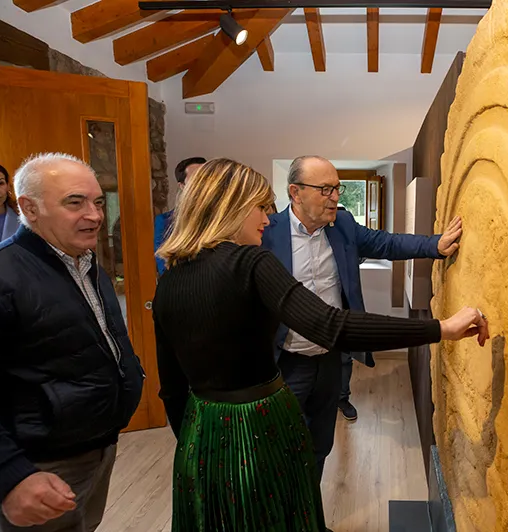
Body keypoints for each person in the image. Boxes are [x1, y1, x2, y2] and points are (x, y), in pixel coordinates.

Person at [152, 158, 488, 532]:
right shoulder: (251, 261)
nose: (266, 218)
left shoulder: (168, 281)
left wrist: (194, 444)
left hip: (201, 432)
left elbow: (171, 387)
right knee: (277, 505)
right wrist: (439, 329)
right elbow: (331, 324)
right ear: (230, 207)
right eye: (259, 208)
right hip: (261, 417)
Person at [261, 155, 463, 478]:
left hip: (329, 360)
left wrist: (435, 245)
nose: (335, 197)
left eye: (337, 188)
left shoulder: (342, 225)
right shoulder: (266, 234)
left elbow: (387, 243)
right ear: (295, 193)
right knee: (280, 448)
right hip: (286, 364)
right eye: (325, 189)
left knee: (320, 445)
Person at [0, 153, 145, 531]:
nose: (94, 215)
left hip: (96, 446)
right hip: (40, 465)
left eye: (97, 202)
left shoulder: (86, 263)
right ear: (30, 208)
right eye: (75, 202)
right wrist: (8, 477)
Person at [153, 156, 205, 274]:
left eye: (207, 178)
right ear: (182, 186)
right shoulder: (166, 222)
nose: (203, 184)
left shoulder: (224, 216)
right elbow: (164, 267)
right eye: (196, 179)